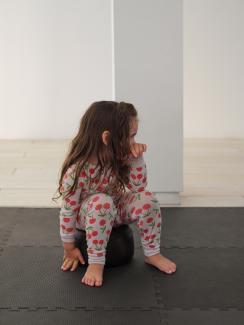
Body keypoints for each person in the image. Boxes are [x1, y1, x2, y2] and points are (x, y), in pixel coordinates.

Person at [52, 100, 177, 287]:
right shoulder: (76, 171)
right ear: (107, 138)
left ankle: (153, 254)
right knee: (102, 202)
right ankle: (96, 263)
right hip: (88, 216)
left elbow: (138, 188)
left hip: (114, 206)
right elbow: (68, 210)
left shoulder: (119, 156)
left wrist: (136, 159)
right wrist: (69, 247)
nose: (134, 142)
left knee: (148, 199)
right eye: (131, 137)